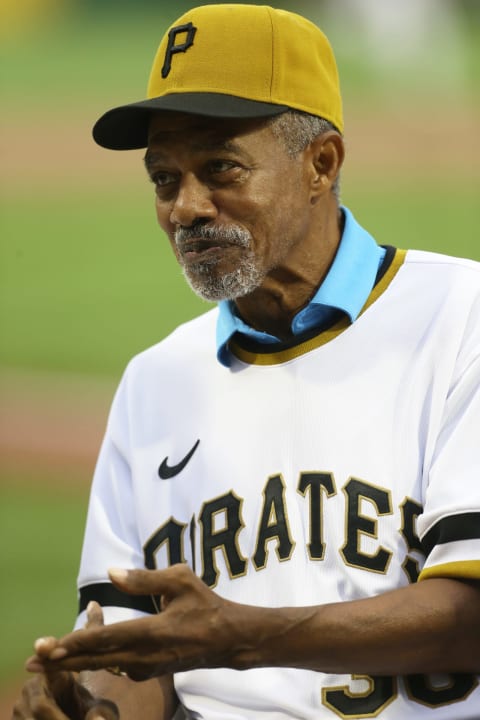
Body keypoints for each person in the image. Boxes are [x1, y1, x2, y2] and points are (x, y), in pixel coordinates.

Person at [12, 3, 480, 719]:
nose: (186, 208)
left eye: (220, 168)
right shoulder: (154, 381)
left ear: (321, 163)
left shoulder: (461, 317)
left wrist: (243, 639)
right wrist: (91, 704)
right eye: (164, 178)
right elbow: (136, 652)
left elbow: (467, 617)